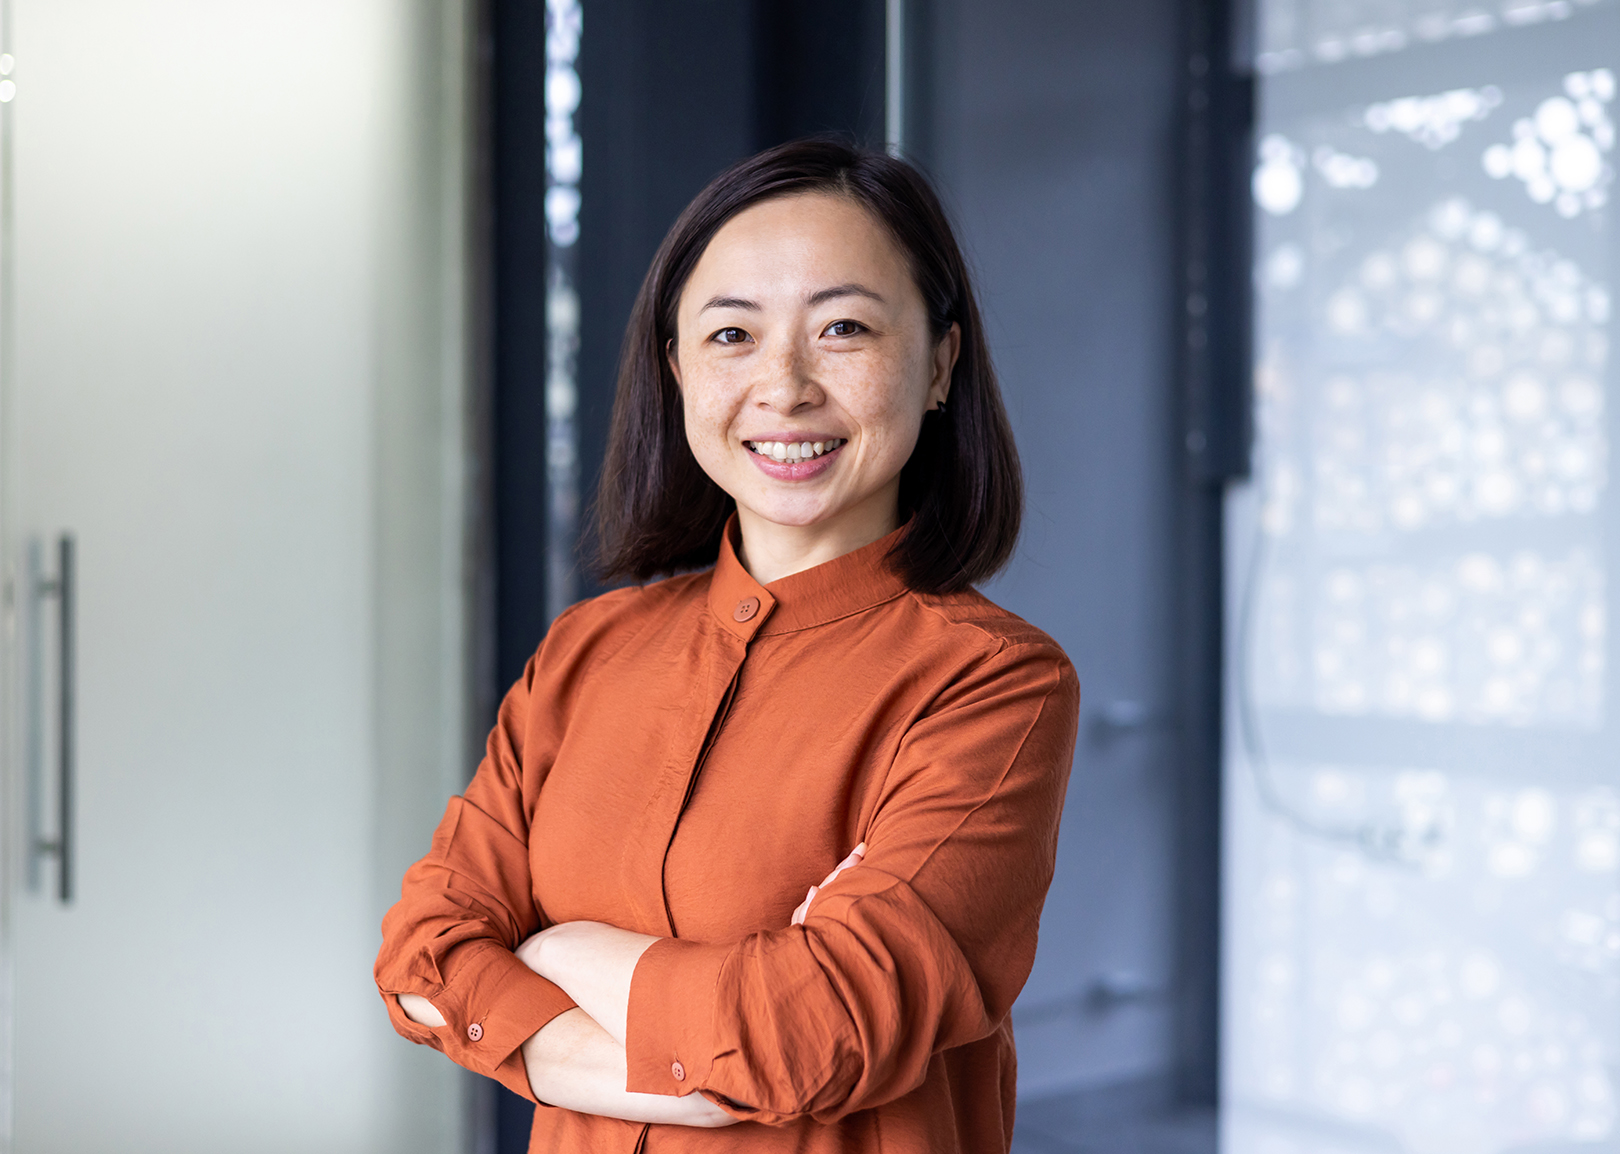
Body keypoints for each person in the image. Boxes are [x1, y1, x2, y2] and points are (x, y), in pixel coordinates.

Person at [374, 138, 1080, 1153]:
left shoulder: (991, 685)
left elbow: (815, 1033)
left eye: (843, 327)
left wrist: (556, 948)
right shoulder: (585, 652)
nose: (784, 385)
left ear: (938, 364)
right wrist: (701, 1062)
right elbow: (421, 959)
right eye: (731, 335)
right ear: (676, 370)